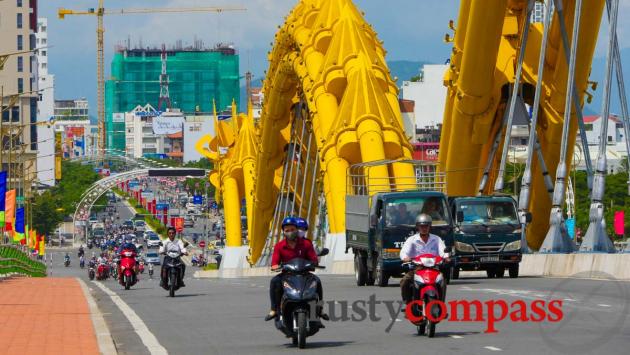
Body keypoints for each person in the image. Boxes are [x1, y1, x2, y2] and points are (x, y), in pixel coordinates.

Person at [265, 217, 327, 321]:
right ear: (283, 232)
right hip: (287, 275)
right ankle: (274, 310)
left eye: (292, 229)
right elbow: (274, 263)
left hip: (305, 274)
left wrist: (314, 263)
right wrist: (275, 266)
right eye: (287, 230)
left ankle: (320, 309)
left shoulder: (306, 244)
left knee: (317, 281)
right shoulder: (279, 246)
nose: (290, 232)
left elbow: (313, 259)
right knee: (274, 281)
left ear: (296, 229)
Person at [399, 214, 449, 307]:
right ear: (417, 227)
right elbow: (404, 252)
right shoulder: (412, 239)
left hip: (434, 268)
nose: (424, 228)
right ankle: (407, 303)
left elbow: (443, 250)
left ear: (430, 226)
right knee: (404, 281)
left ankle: (441, 305)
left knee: (442, 281)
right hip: (417, 268)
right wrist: (406, 258)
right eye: (421, 226)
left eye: (426, 226)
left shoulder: (436, 239)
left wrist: (446, 257)